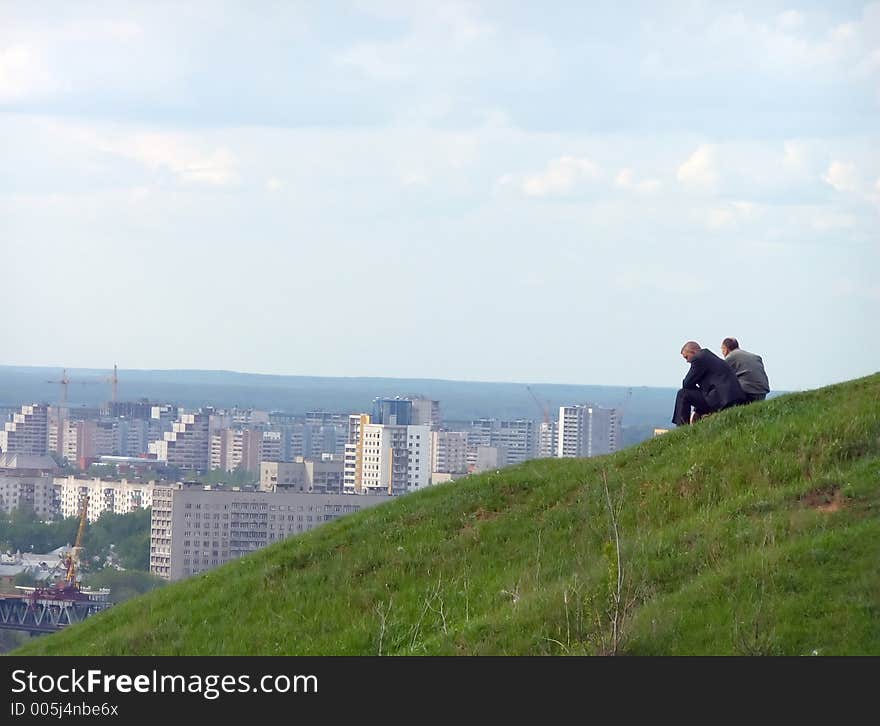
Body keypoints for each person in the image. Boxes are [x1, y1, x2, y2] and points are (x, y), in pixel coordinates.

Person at [672, 341, 747, 426]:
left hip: (721, 400)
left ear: (693, 352)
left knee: (683, 393)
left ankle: (682, 427)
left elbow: (687, 383)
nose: (687, 361)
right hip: (731, 398)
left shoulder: (698, 358)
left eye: (686, 357)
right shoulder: (710, 357)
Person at [721, 337, 770, 403]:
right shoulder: (755, 357)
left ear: (725, 349)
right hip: (762, 391)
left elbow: (721, 374)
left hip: (748, 391)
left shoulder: (731, 357)